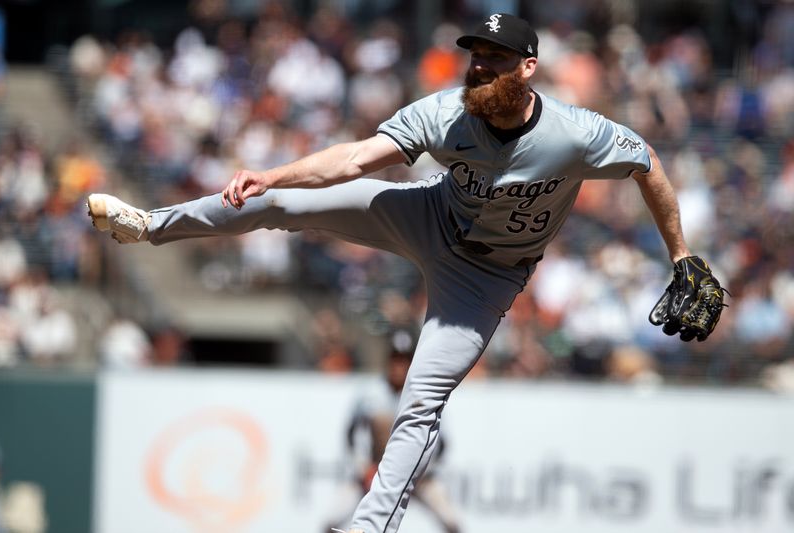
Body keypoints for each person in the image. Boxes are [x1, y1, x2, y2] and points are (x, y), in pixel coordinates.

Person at [87, 13, 717, 533]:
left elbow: (647, 162)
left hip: (486, 278)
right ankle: (149, 225)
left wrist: (680, 252)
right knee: (275, 205)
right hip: (428, 215)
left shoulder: (573, 134)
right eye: (476, 55)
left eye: (497, 57)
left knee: (419, 403)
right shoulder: (447, 112)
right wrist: (272, 174)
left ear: (528, 68)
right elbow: (357, 159)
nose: (482, 66)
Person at [324, 329, 461, 533]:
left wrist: (422, 472)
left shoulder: (426, 394)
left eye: (404, 361)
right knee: (330, 521)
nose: (399, 367)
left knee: (453, 524)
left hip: (420, 477)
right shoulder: (370, 392)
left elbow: (443, 444)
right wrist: (362, 468)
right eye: (395, 360)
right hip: (374, 473)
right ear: (388, 361)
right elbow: (351, 434)